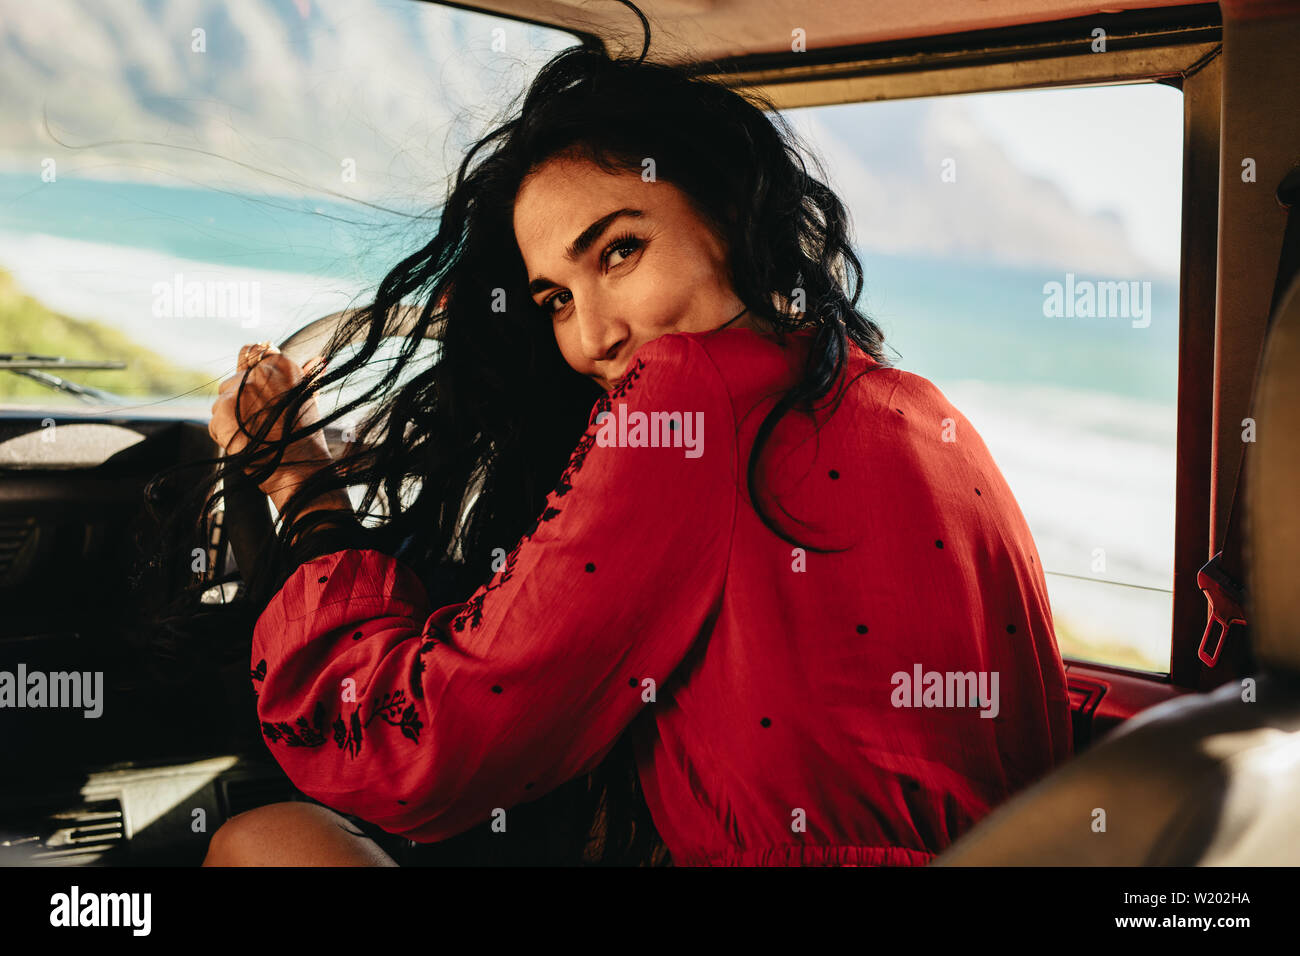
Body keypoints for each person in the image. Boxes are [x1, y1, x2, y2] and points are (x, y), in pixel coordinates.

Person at [193, 11, 1072, 867]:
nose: (591, 338)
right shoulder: (912, 405)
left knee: (263, 842)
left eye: (618, 253)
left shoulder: (691, 394)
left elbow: (426, 748)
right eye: (556, 301)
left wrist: (303, 491)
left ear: (732, 216)